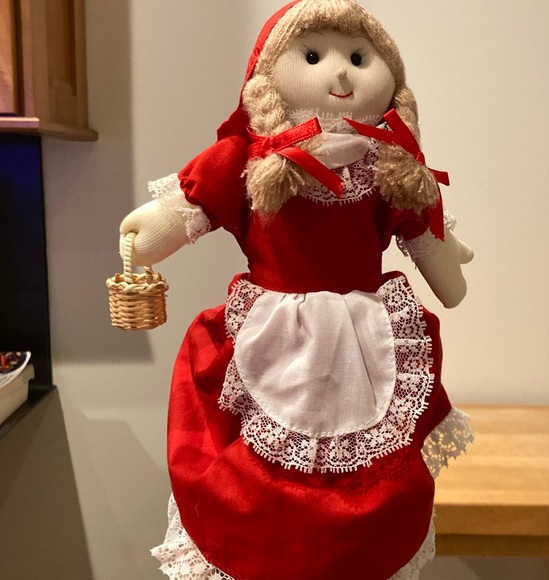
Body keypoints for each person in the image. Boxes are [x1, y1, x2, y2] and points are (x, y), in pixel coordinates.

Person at [120, 1, 474, 578]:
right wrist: (150, 231)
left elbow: (430, 248)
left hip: (364, 341)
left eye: (358, 57)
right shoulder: (250, 157)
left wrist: (448, 256)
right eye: (312, 56)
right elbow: (181, 213)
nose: (340, 74)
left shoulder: (388, 166)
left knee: (376, 476)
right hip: (272, 334)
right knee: (256, 477)